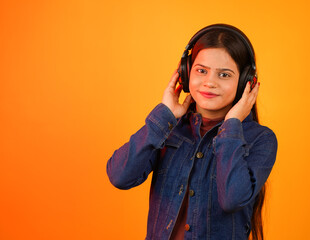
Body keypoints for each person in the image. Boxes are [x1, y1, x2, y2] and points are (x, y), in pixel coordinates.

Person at [106, 24, 278, 240]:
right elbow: (120, 176)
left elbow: (232, 198)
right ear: (185, 73)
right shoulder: (169, 128)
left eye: (224, 75)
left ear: (246, 83)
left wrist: (232, 124)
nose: (210, 82)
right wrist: (164, 115)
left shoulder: (261, 139)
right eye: (201, 70)